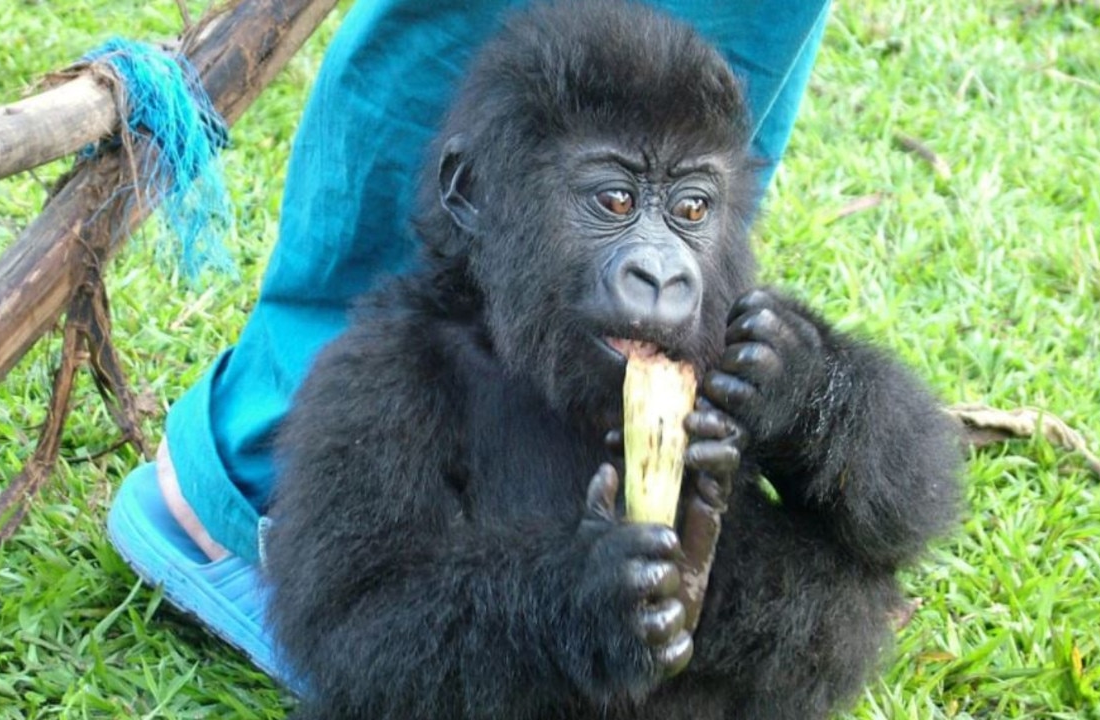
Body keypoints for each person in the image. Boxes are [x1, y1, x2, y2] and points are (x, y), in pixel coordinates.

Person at [107, 0, 832, 686]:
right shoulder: (398, 374)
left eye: (692, 209)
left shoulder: (733, 350)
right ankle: (241, 485)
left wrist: (822, 403)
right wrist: (568, 599)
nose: (662, 269)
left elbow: (897, 521)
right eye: (613, 201)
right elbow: (354, 648)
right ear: (474, 194)